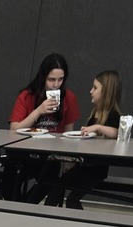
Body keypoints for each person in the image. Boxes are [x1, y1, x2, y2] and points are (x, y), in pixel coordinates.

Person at [3, 54, 79, 201]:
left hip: (50, 156)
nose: (56, 84)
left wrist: (68, 160)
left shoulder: (69, 97)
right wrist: (38, 111)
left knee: (50, 173)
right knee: (9, 177)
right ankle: (16, 205)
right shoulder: (27, 96)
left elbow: (69, 134)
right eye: (51, 80)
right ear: (43, 77)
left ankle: (25, 207)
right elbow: (14, 129)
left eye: (60, 79)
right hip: (24, 152)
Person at [45, 70, 123, 209]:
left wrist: (98, 127)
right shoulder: (95, 113)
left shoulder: (113, 115)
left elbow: (117, 132)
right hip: (84, 166)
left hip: (96, 170)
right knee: (56, 187)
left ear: (106, 92)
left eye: (95, 88)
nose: (91, 91)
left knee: (72, 199)